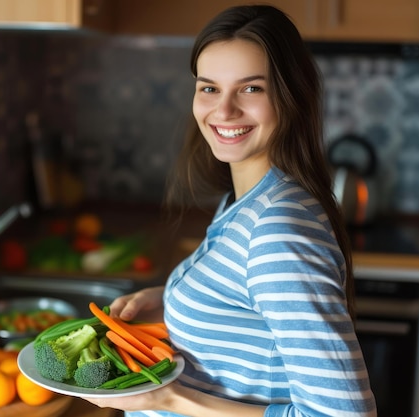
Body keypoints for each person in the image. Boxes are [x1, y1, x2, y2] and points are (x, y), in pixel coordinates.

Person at [84, 5, 377, 417]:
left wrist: (168, 398)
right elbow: (248, 315)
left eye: (251, 89)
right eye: (209, 88)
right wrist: (173, 301)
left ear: (291, 96)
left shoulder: (278, 232)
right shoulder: (244, 201)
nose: (223, 111)